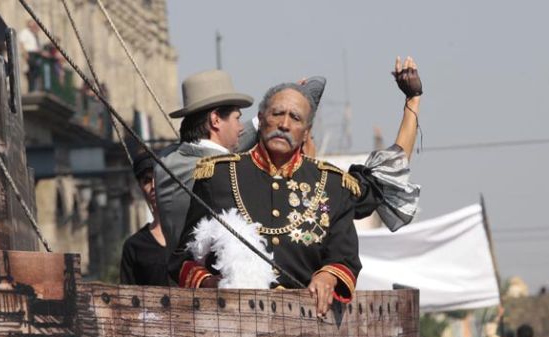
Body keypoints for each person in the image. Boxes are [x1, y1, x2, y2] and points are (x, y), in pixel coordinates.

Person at [155, 58, 423, 257]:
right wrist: (413, 101)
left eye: (294, 118)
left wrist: (282, 106)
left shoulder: (166, 165)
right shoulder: (221, 175)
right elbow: (385, 175)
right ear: (216, 120)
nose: (241, 129)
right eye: (238, 119)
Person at [169, 75, 366, 317]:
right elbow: (183, 259)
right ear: (261, 120)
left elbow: (345, 257)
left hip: (307, 326)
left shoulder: (334, 186)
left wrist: (327, 276)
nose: (284, 124)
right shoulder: (218, 176)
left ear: (306, 132)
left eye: (295, 118)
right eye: (277, 114)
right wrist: (212, 285)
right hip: (231, 321)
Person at [119, 153, 169, 285]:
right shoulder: (134, 246)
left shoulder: (192, 235)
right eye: (146, 181)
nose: (153, 186)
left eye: (158, 178)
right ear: (141, 188)